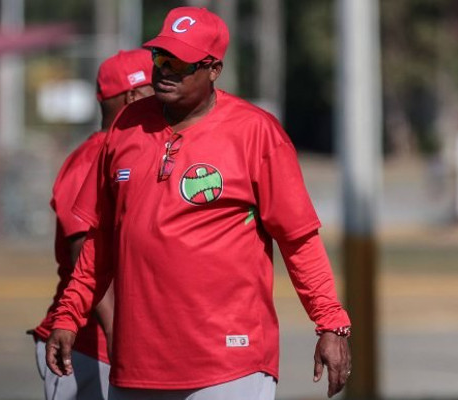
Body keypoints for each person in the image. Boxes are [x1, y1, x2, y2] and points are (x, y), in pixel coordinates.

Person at [47, 6, 351, 400]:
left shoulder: (256, 133)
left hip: (229, 364)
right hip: (137, 364)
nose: (165, 69)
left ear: (213, 69)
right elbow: (100, 241)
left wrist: (330, 322)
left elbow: (299, 240)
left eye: (180, 62)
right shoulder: (126, 126)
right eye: (160, 57)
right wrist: (69, 314)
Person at [29, 48, 154, 400]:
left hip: (121, 347)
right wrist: (118, 335)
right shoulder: (93, 157)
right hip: (86, 346)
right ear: (133, 95)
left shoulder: (130, 151)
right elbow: (83, 249)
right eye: (154, 88)